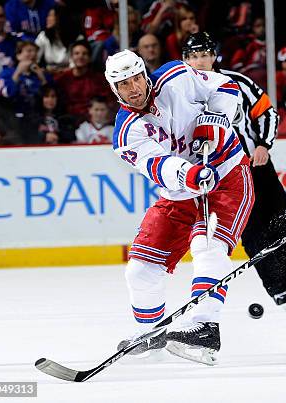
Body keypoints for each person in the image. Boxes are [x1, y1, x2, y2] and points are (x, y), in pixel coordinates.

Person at [105, 49, 253, 365]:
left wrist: (216, 121)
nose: (133, 89)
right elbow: (157, 165)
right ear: (114, 89)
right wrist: (189, 173)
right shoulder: (126, 133)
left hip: (227, 177)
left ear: (144, 74)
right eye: (123, 85)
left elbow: (225, 88)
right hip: (179, 194)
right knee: (140, 270)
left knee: (207, 246)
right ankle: (152, 333)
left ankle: (204, 325)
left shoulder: (178, 75)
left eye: (135, 79)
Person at [183, 32, 286, 310]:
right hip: (224, 176)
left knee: (281, 222)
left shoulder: (238, 82)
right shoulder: (181, 94)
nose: (200, 60)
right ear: (186, 60)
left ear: (213, 56)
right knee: (251, 232)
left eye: (204, 54)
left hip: (257, 166)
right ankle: (277, 288)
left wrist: (263, 144)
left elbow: (267, 112)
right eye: (194, 56)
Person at [0, 40, 52, 144]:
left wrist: (42, 79)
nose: (32, 54)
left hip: (35, 121)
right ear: (18, 55)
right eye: (28, 51)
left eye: (35, 52)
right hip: (12, 121)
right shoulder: (7, 73)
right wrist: (17, 74)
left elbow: (50, 98)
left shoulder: (42, 75)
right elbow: (4, 94)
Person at [55, 40, 113, 123]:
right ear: (71, 57)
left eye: (84, 54)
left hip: (93, 122)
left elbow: (107, 101)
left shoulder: (99, 79)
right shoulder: (62, 78)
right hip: (68, 122)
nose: (80, 56)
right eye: (77, 53)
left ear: (89, 58)